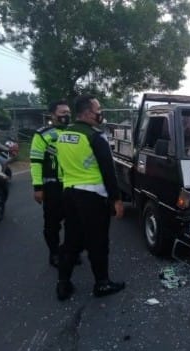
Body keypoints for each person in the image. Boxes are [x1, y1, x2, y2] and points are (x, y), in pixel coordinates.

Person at [53, 95, 125, 301]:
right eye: (98, 109)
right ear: (86, 113)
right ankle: (102, 283)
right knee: (98, 241)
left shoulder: (64, 135)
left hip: (69, 193)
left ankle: (63, 284)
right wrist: (116, 199)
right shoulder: (95, 136)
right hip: (92, 196)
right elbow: (108, 171)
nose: (100, 113)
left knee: (71, 240)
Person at [30, 100, 72, 267]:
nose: (66, 115)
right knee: (52, 224)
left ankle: (70, 251)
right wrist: (38, 187)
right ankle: (54, 253)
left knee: (73, 222)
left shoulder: (74, 132)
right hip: (52, 186)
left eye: (68, 112)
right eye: (62, 113)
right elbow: (35, 162)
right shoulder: (42, 135)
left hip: (72, 184)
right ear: (53, 115)